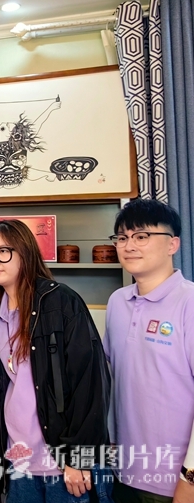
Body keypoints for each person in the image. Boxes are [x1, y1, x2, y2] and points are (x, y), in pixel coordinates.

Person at [0, 219, 112, 502]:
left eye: (3, 251)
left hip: (63, 462)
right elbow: (6, 388)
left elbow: (90, 384)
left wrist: (79, 458)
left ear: (25, 252)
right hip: (19, 459)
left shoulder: (60, 302)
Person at [103, 199, 194, 503]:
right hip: (122, 470)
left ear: (173, 244)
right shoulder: (117, 301)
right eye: (122, 237)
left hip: (174, 480)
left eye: (142, 236)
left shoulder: (189, 302)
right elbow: (112, 378)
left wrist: (190, 476)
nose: (129, 246)